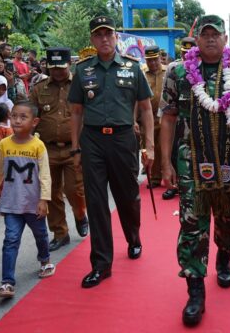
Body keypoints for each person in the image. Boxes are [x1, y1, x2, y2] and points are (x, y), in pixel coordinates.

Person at [160, 15, 230, 327]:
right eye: (204, 35)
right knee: (192, 225)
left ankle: (224, 256)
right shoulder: (177, 74)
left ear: (225, 38)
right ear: (197, 39)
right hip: (191, 163)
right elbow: (167, 118)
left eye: (215, 35)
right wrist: (165, 163)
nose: (209, 40)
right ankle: (195, 290)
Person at [68, 16, 154, 289]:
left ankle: (133, 236)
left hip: (123, 139)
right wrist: (75, 148)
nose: (104, 39)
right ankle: (101, 264)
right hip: (92, 140)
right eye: (98, 34)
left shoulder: (132, 67)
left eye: (108, 34)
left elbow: (146, 108)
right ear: (92, 40)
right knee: (95, 202)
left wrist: (149, 145)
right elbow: (76, 112)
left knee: (127, 196)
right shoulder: (82, 71)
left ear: (116, 37)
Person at [0, 101, 55, 298]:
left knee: (41, 235)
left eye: (22, 117)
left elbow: (45, 175)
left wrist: (44, 199)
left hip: (34, 204)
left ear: (34, 122)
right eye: (14, 116)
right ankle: (7, 282)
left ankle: (45, 260)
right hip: (11, 203)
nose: (17, 120)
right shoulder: (4, 144)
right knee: (10, 240)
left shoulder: (38, 146)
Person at [30, 47, 88, 252]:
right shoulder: (39, 88)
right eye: (52, 68)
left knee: (75, 190)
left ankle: (81, 215)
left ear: (69, 65)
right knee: (51, 192)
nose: (57, 72)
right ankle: (60, 232)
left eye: (61, 68)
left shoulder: (80, 85)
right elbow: (32, 117)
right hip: (47, 149)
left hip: (75, 148)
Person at [161, 37, 198, 201]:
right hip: (181, 132)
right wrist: (165, 163)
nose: (187, 56)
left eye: (190, 52)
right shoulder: (174, 70)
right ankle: (175, 185)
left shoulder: (215, 70)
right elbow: (167, 112)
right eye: (184, 52)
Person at [140, 45, 167, 188]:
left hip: (165, 117)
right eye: (149, 60)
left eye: (155, 60)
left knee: (162, 147)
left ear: (159, 58)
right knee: (149, 147)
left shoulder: (167, 72)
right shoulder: (142, 74)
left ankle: (167, 174)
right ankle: (155, 178)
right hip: (147, 118)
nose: (153, 63)